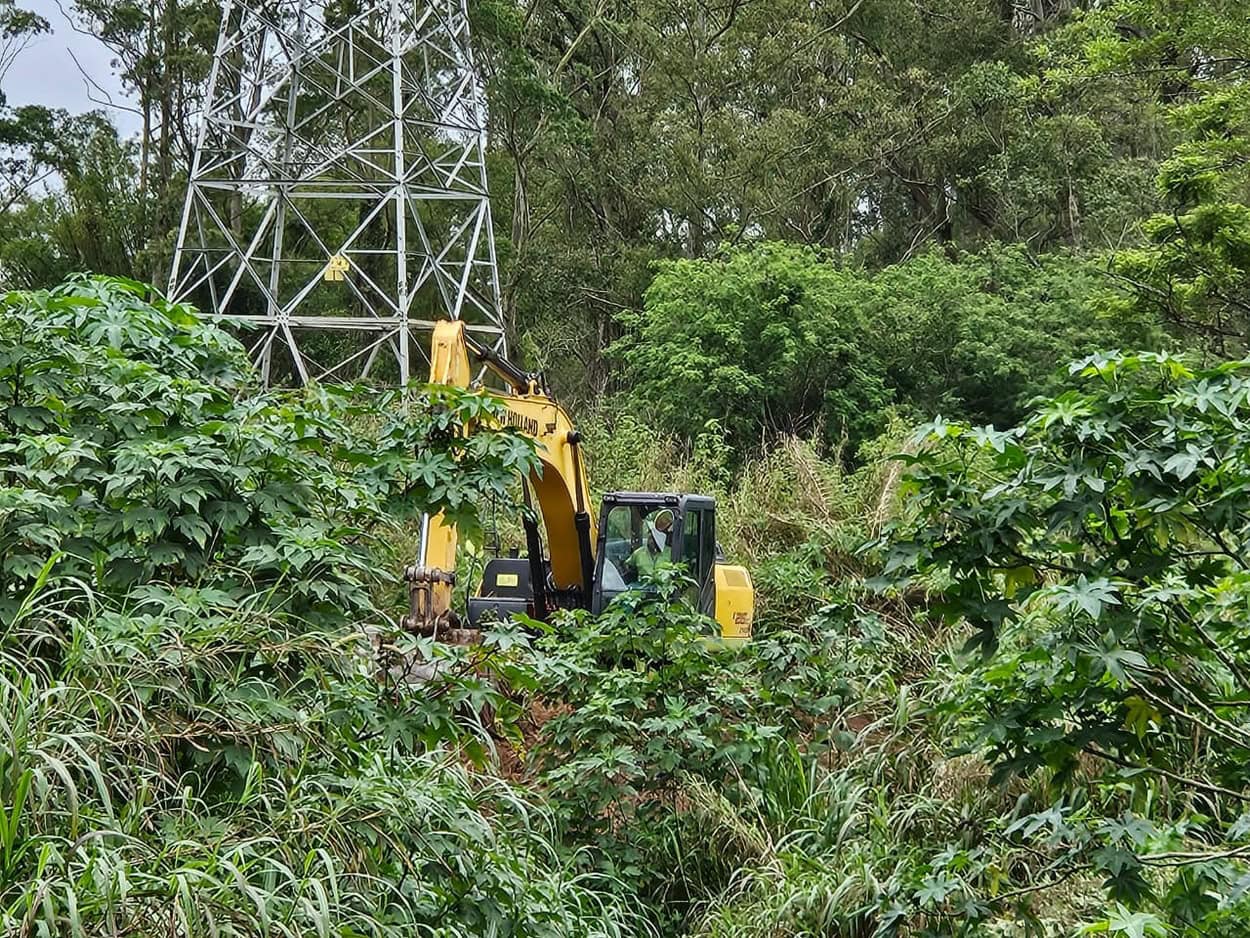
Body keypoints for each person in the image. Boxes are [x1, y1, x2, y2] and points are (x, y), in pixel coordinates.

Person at [627, 508, 673, 581]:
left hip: (663, 587)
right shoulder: (638, 554)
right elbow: (627, 566)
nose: (651, 541)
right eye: (650, 537)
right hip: (643, 587)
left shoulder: (671, 553)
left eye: (654, 539)